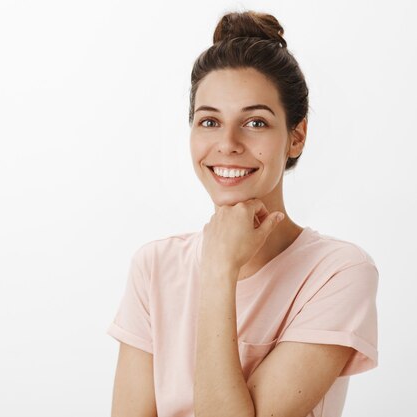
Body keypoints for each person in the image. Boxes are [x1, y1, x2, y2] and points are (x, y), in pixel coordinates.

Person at [106, 9, 379, 417]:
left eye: (254, 122)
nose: (228, 143)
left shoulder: (337, 273)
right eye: (210, 121)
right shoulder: (154, 267)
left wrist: (219, 270)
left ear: (296, 137)